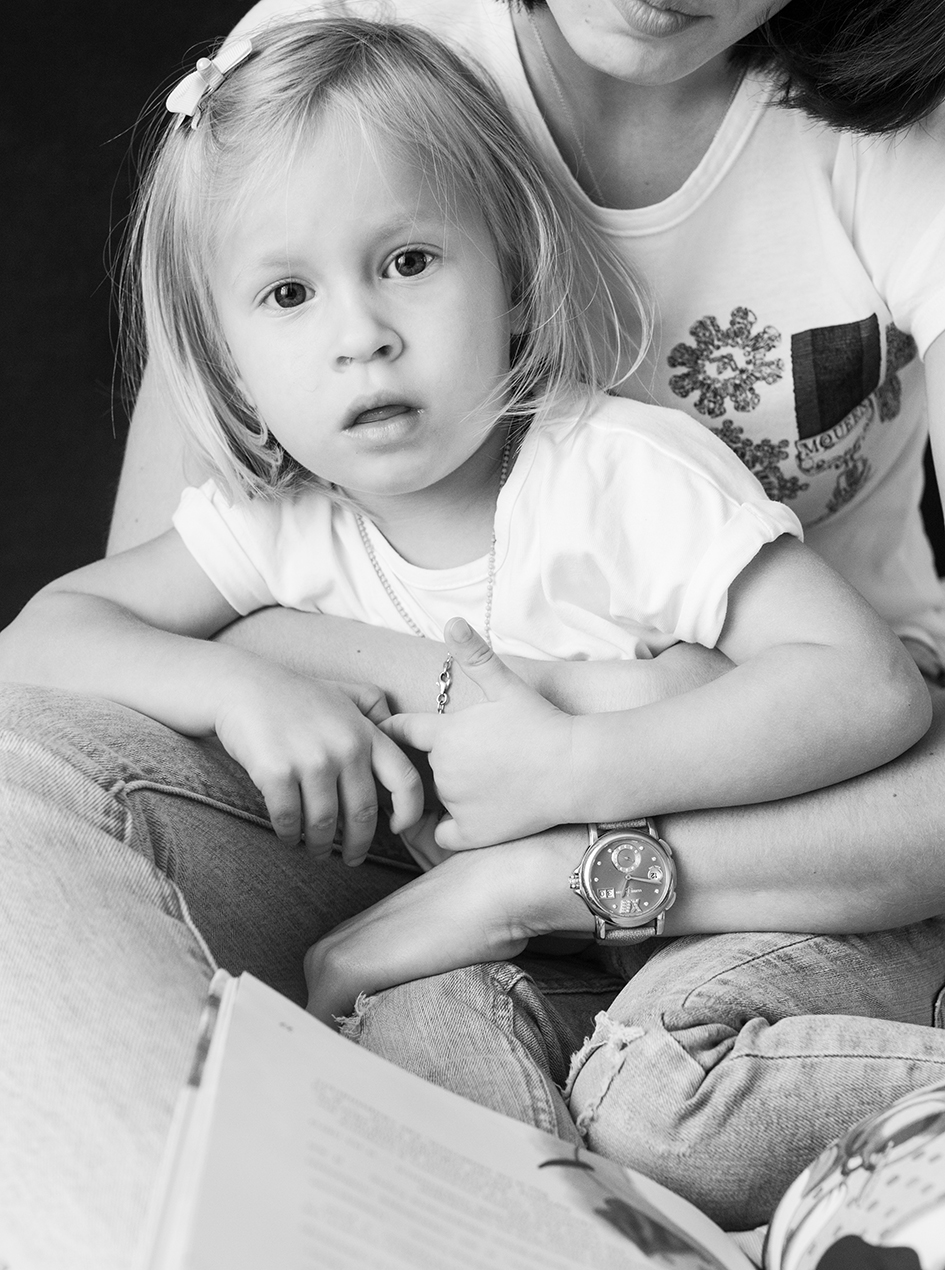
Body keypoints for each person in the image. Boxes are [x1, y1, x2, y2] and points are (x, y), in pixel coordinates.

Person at [0, 2, 944, 1268]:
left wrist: (573, 763)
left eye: (408, 263)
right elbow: (49, 648)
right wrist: (231, 685)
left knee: (656, 1092)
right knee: (416, 1040)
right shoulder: (283, 520)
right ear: (223, 360)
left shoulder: (617, 474)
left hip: (776, 894)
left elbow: (871, 688)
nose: (362, 335)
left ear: (515, 281)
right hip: (491, 934)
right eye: (290, 294)